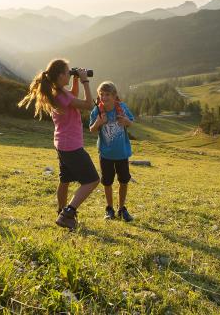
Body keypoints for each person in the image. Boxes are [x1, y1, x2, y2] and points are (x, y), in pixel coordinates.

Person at [19, 59, 98, 230]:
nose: (70, 74)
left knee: (65, 180)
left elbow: (72, 97)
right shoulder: (60, 95)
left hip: (62, 143)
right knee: (92, 180)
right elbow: (88, 105)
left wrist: (76, 79)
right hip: (71, 145)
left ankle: (61, 211)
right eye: (68, 72)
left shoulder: (58, 91)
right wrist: (85, 81)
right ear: (61, 75)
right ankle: (68, 213)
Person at [89, 81, 135, 221]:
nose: (104, 97)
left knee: (124, 181)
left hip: (122, 153)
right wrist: (98, 122)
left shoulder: (122, 107)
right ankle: (109, 209)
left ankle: (122, 209)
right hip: (105, 154)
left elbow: (131, 122)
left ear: (115, 96)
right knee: (107, 182)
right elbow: (91, 130)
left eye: (107, 94)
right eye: (101, 94)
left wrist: (126, 121)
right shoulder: (97, 110)